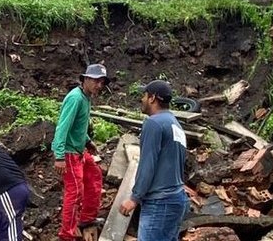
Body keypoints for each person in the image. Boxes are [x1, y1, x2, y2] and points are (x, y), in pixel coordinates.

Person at [118, 80, 189, 241]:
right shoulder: (175, 125)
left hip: (160, 203)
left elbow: (147, 164)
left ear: (152, 98)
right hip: (177, 200)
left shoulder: (154, 123)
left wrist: (134, 197)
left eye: (144, 95)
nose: (142, 100)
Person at [52, 63, 108, 240]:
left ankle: (87, 219)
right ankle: (67, 233)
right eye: (96, 81)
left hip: (79, 149)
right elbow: (62, 127)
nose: (99, 86)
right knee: (75, 191)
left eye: (102, 82)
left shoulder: (86, 97)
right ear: (86, 79)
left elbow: (79, 126)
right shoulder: (75, 98)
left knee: (94, 176)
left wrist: (88, 142)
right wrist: (59, 156)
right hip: (68, 153)